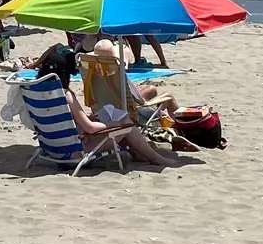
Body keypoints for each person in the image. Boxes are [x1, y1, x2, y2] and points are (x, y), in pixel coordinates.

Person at [30, 46, 189, 168]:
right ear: (64, 74)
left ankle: (141, 155)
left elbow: (67, 122)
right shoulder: (65, 95)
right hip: (74, 153)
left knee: (113, 119)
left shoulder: (35, 92)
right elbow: (91, 128)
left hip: (52, 149)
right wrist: (112, 125)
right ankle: (156, 158)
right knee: (124, 122)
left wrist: (90, 121)